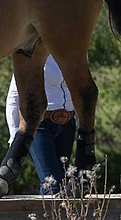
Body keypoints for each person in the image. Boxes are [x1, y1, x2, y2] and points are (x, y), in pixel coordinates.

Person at [6, 55, 76, 195]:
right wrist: (16, 136)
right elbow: (14, 97)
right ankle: (52, 216)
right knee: (51, 182)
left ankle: (51, 216)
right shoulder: (32, 55)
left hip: (68, 125)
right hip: (39, 126)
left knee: (62, 182)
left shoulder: (74, 52)